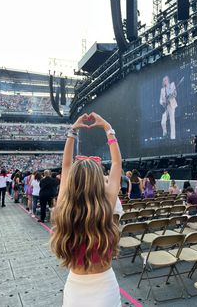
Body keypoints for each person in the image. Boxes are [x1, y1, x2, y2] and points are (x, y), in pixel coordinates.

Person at [50, 113, 122, 306]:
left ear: (72, 180)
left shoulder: (65, 205)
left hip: (75, 288)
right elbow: (117, 164)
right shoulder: (107, 202)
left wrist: (72, 132)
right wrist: (107, 127)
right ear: (99, 179)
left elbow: (65, 165)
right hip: (106, 288)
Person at [160, 75, 177, 140]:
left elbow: (175, 94)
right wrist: (163, 103)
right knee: (163, 122)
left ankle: (173, 137)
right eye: (164, 80)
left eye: (166, 80)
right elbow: (160, 100)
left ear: (168, 80)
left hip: (171, 104)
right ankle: (165, 133)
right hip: (165, 106)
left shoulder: (172, 85)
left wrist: (172, 95)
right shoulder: (162, 90)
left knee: (172, 121)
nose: (165, 81)